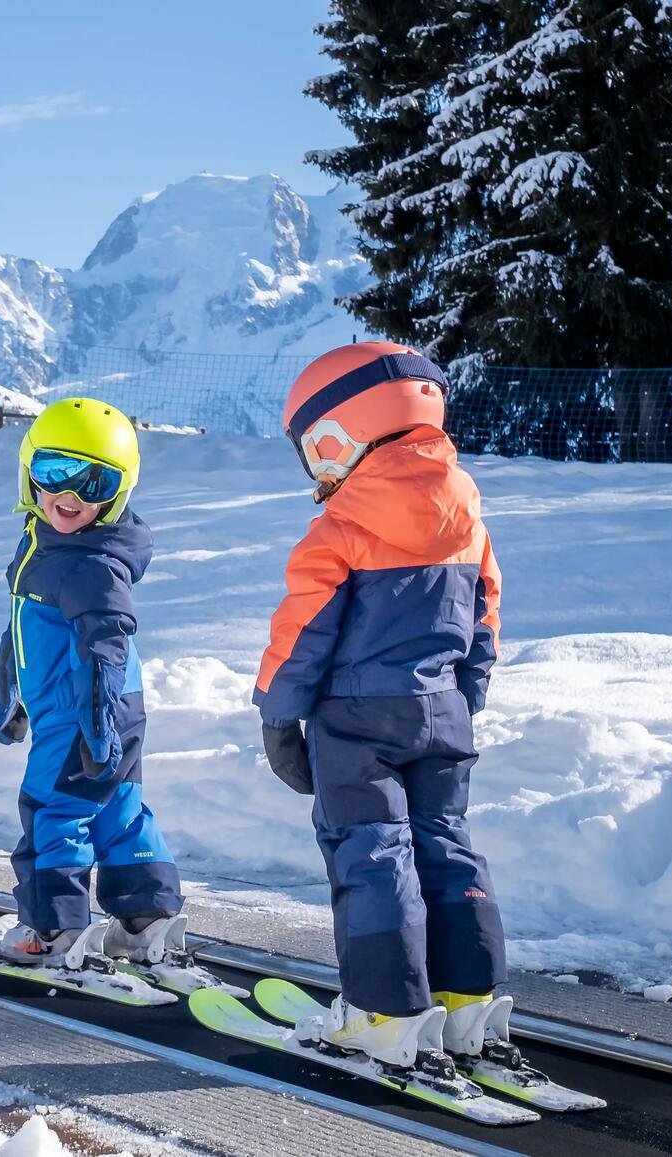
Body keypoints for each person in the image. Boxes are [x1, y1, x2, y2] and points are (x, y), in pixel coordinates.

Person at [256, 341, 508, 1070]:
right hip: (441, 711)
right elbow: (484, 614)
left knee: (372, 854)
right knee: (445, 843)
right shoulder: (465, 513)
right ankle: (468, 1004)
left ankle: (384, 1010)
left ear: (356, 428)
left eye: (321, 446)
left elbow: (302, 631)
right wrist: (468, 694)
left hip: (356, 722)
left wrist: (279, 713)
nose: (322, 467)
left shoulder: (341, 527)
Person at [0, 397, 183, 968]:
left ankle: (53, 929)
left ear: (118, 491)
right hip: (110, 708)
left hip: (86, 709)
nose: (68, 496)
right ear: (28, 472)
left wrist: (96, 727)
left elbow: (105, 645)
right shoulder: (49, 541)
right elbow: (25, 623)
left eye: (93, 481)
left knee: (53, 808)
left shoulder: (91, 563)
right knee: (119, 808)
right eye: (52, 473)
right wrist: (12, 688)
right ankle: (147, 921)